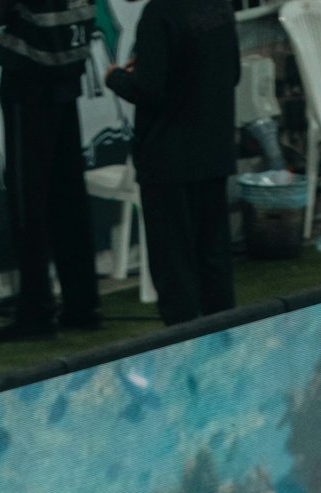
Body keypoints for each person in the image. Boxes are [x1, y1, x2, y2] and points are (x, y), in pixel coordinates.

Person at [104, 0, 239, 329]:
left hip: (169, 157)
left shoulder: (160, 14)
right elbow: (232, 72)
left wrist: (116, 77)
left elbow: (149, 89)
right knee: (214, 256)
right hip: (214, 149)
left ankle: (184, 342)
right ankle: (226, 337)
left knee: (174, 265)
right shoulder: (219, 6)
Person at [0, 0, 100, 340]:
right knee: (69, 196)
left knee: (28, 202)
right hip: (68, 73)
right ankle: (82, 305)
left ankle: (36, 312)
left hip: (29, 81)